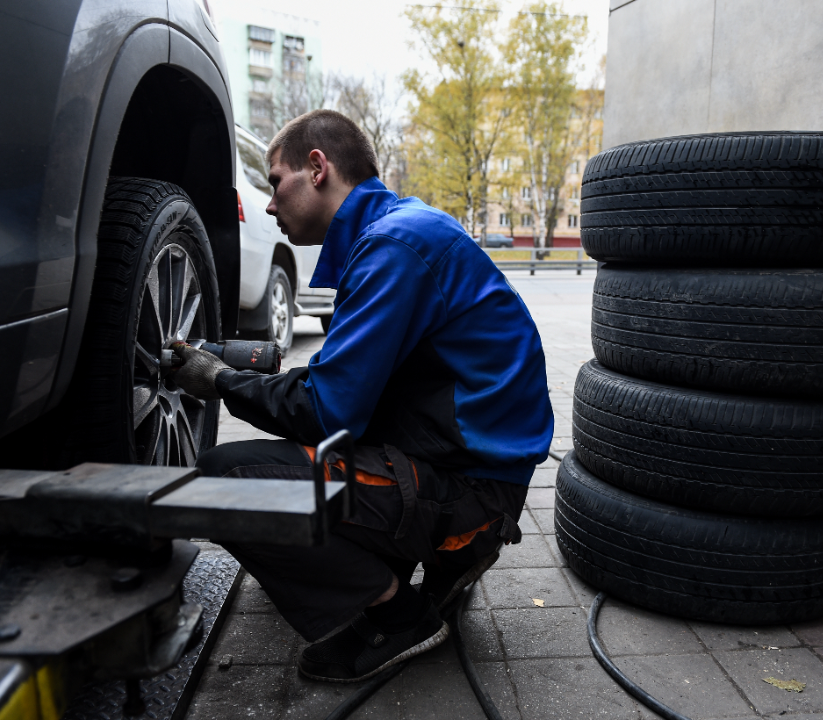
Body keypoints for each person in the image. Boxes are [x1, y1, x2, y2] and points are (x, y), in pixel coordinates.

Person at [172, 109, 553, 683]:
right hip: (462, 458)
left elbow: (326, 410)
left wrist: (219, 381)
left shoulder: (394, 247)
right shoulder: (395, 233)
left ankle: (402, 616)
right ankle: (423, 557)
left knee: (222, 480)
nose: (270, 203)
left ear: (317, 167)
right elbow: (344, 389)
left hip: (472, 486)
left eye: (275, 182)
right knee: (293, 475)